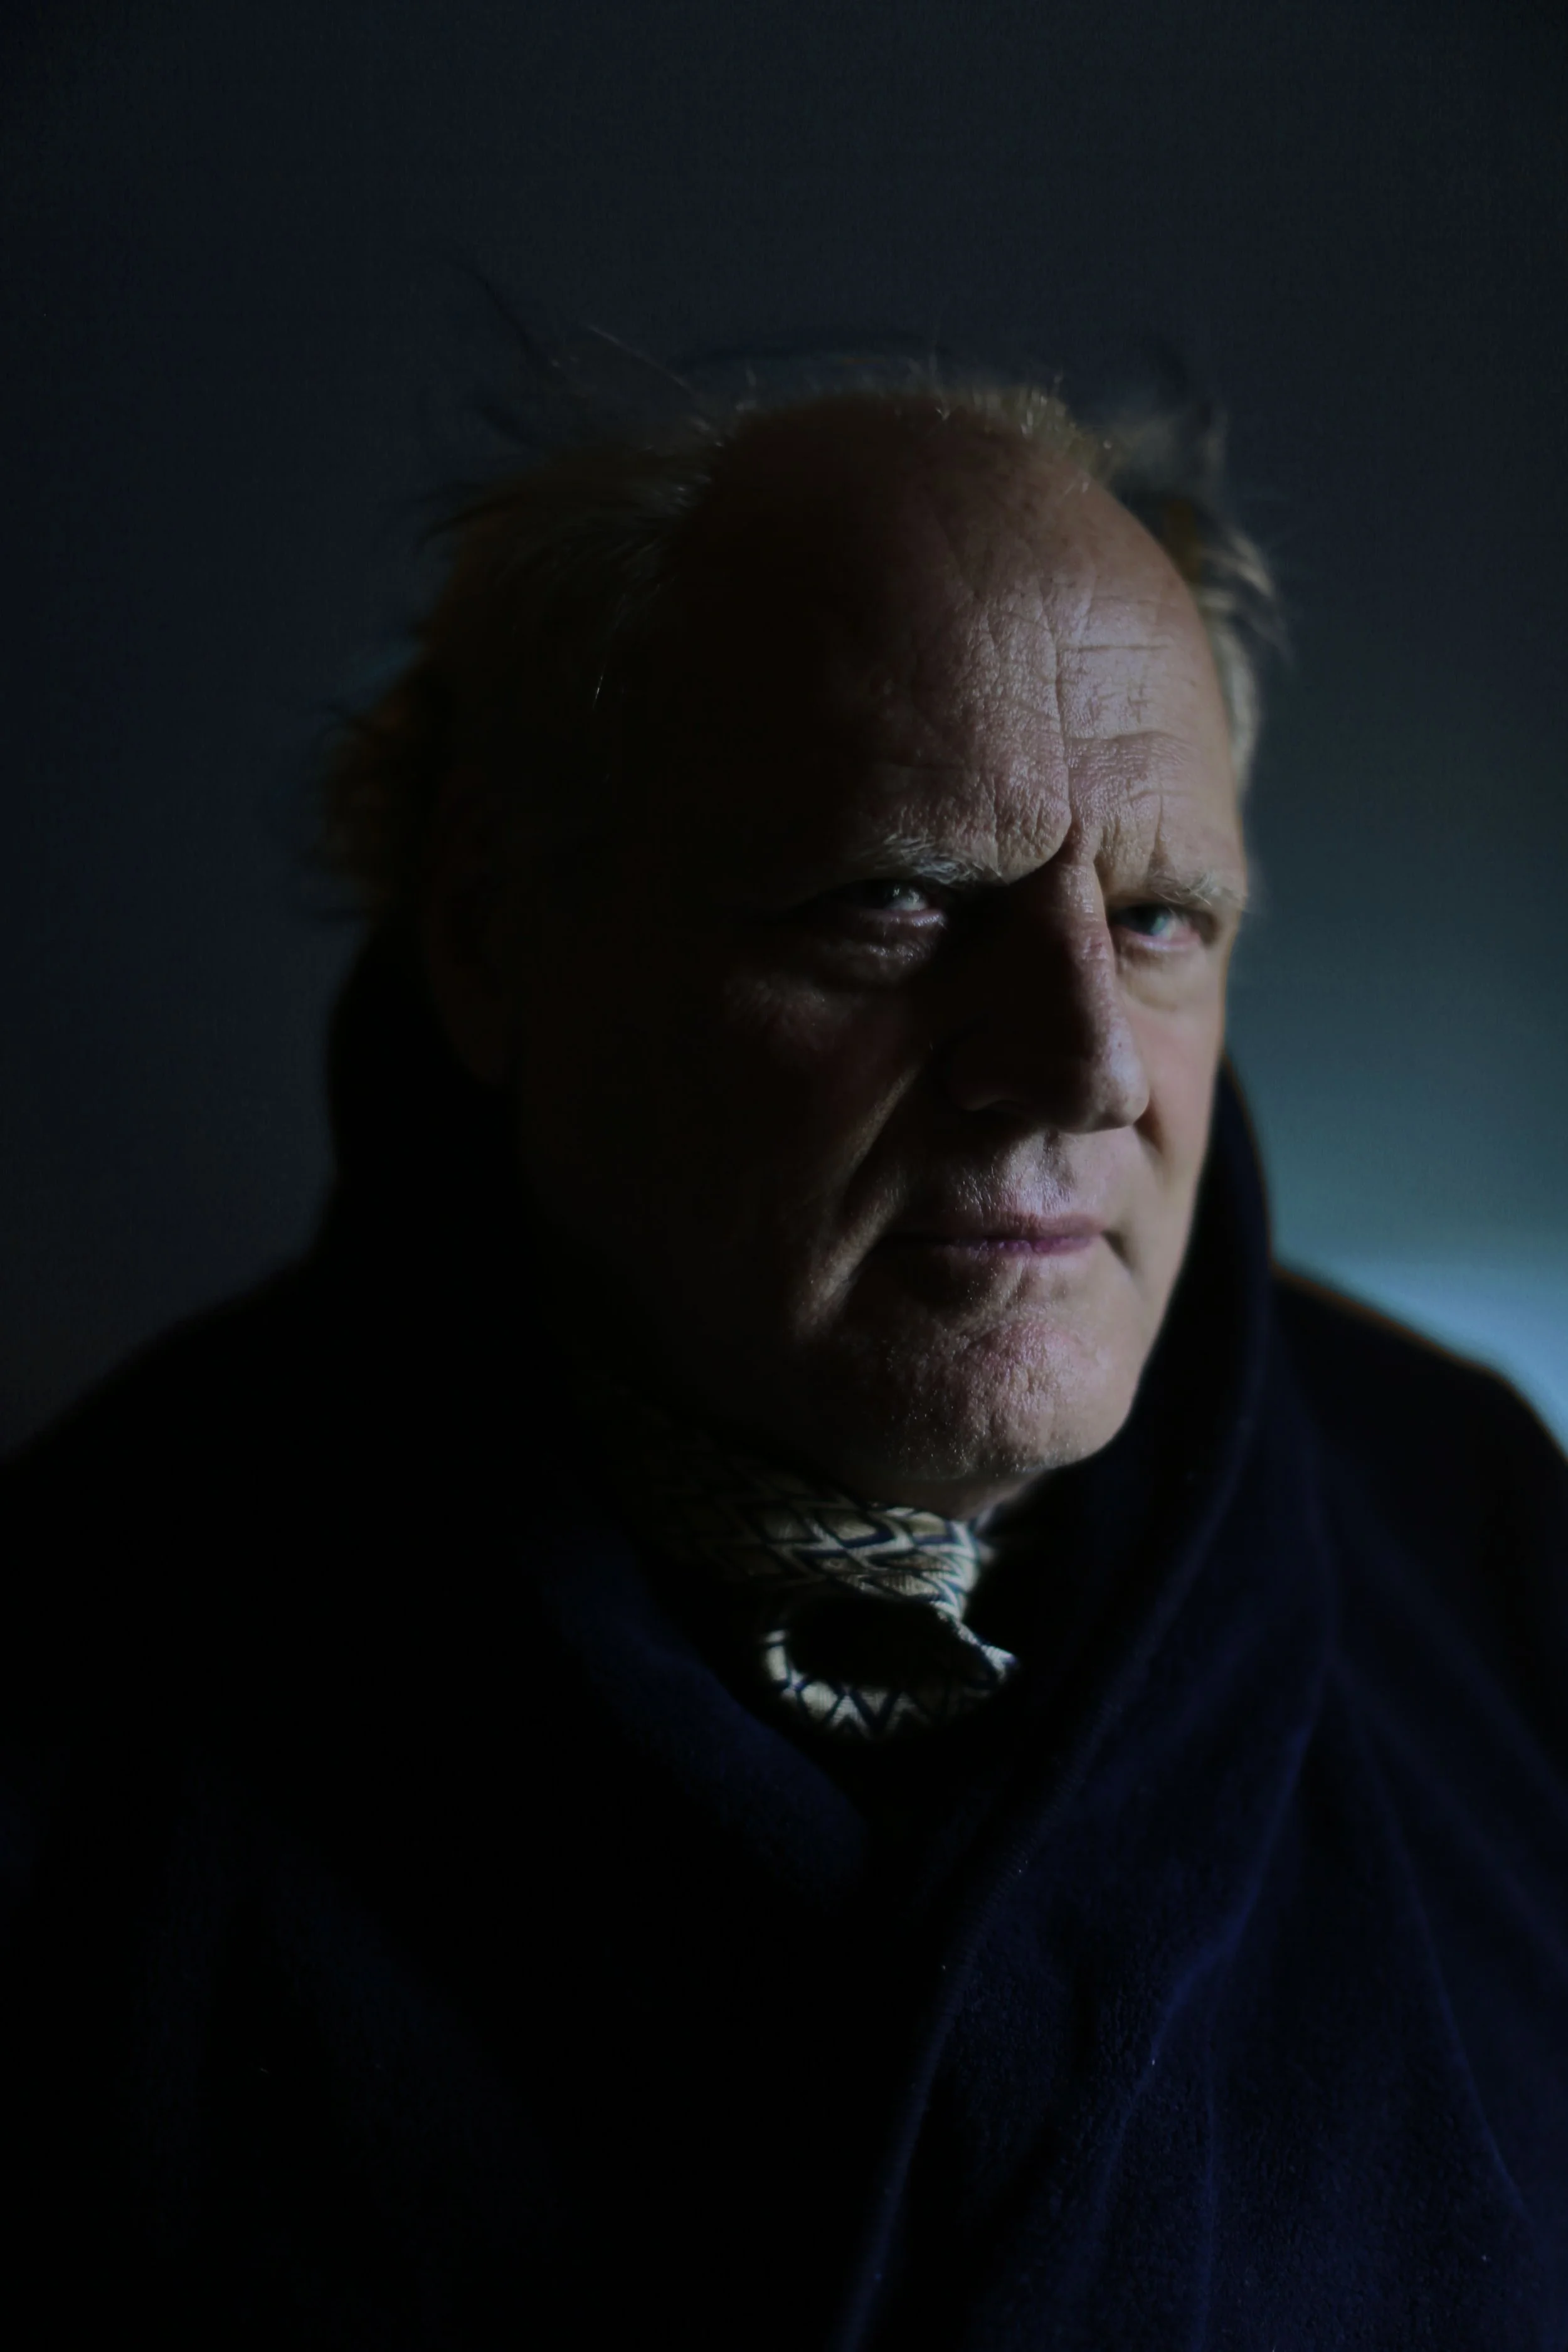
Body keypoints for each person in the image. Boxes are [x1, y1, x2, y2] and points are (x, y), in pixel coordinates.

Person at [4, 349, 1567, 2351]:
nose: (1084, 1060)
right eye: (901, 899)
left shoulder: (1484, 1536)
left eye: (1163, 915)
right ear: (493, 933)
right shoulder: (83, 1704)